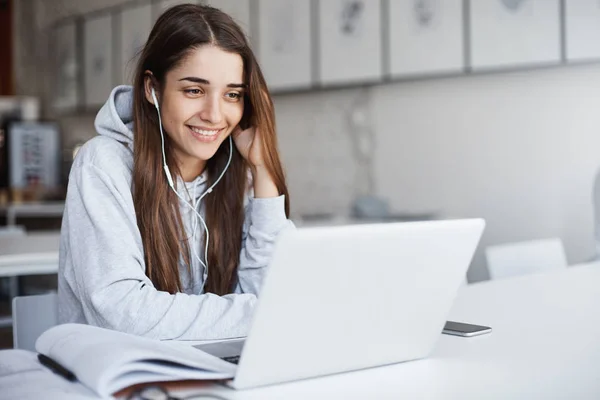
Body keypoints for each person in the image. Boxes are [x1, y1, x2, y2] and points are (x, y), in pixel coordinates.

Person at [58, 4, 293, 340]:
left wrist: (263, 169)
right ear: (152, 89)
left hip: (209, 373)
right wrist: (263, 313)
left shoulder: (237, 171)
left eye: (232, 94)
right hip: (114, 379)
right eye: (194, 90)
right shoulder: (103, 164)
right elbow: (123, 314)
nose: (215, 114)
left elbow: (272, 291)